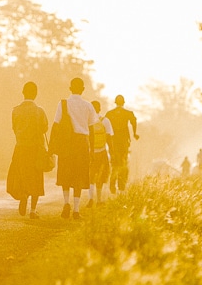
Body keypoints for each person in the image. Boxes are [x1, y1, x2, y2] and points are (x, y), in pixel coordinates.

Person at [53, 77, 97, 219]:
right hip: (82, 143)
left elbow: (56, 125)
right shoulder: (88, 106)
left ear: (70, 88)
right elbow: (91, 129)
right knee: (79, 174)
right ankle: (76, 209)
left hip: (66, 143)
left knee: (65, 173)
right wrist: (92, 149)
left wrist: (52, 146)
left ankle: (66, 203)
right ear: (83, 89)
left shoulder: (63, 104)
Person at [6, 81, 48, 219]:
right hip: (36, 149)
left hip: (20, 147)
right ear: (35, 94)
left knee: (21, 175)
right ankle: (33, 210)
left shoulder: (15, 110)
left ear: (23, 93)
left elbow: (13, 128)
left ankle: (23, 195)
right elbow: (44, 128)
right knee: (36, 178)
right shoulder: (39, 111)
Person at [105, 95, 139, 194]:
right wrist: (134, 133)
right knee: (123, 163)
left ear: (115, 102)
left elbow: (104, 124)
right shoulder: (128, 113)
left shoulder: (110, 114)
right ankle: (121, 184)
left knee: (115, 162)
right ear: (123, 102)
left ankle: (112, 183)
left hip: (113, 142)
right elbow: (134, 121)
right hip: (124, 142)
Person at [86, 100, 114, 207]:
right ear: (99, 109)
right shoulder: (105, 120)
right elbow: (109, 138)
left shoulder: (87, 121)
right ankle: (98, 200)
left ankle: (90, 198)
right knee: (101, 176)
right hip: (102, 151)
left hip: (90, 152)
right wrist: (111, 152)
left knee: (91, 176)